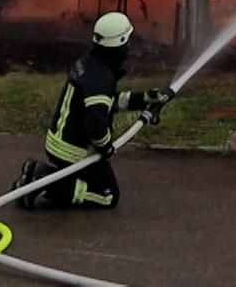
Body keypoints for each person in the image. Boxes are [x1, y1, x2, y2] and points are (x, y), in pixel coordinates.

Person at [16, 12, 173, 210]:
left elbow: (108, 102)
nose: (130, 46)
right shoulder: (100, 77)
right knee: (106, 195)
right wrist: (106, 147)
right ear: (120, 43)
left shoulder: (92, 63)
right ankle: (45, 182)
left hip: (60, 142)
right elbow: (95, 124)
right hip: (74, 152)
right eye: (128, 41)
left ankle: (39, 174)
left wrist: (145, 99)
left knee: (99, 186)